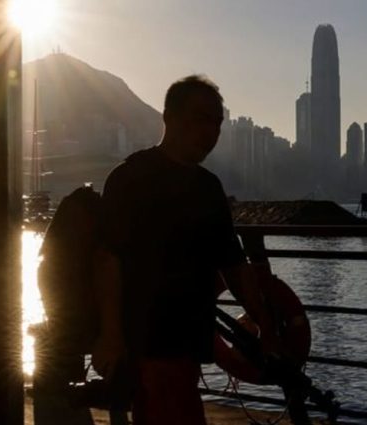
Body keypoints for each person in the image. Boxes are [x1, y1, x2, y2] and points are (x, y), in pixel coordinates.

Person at [92, 75, 280, 424]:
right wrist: (111, 335)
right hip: (147, 340)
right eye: (201, 119)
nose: (211, 132)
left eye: (218, 123)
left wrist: (263, 319)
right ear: (169, 118)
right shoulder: (130, 178)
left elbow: (233, 262)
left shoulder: (209, 188)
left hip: (189, 343)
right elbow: (107, 258)